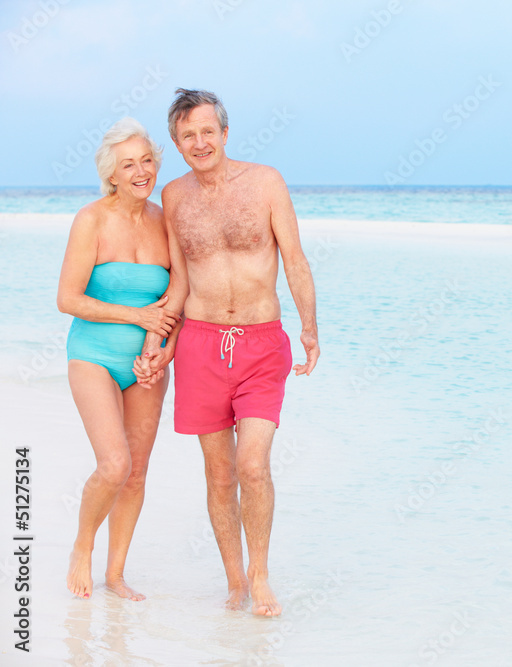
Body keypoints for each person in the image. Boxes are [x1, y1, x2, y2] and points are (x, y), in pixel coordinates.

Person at [138, 88, 319, 617]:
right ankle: (235, 582)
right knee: (219, 474)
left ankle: (261, 574)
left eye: (207, 131)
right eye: (188, 135)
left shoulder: (265, 182)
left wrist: (310, 329)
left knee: (253, 464)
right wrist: (159, 343)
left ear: (224, 131)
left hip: (263, 344)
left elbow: (296, 259)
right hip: (199, 344)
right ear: (176, 141)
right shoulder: (173, 197)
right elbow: (178, 280)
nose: (200, 142)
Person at [57, 117, 178, 601]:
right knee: (113, 465)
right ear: (111, 173)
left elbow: (177, 298)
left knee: (138, 472)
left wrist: (164, 348)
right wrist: (137, 317)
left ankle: (116, 573)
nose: (141, 171)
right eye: (129, 164)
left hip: (149, 366)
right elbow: (67, 298)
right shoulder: (91, 220)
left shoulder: (165, 221)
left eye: (147, 160)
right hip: (93, 356)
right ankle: (82, 547)